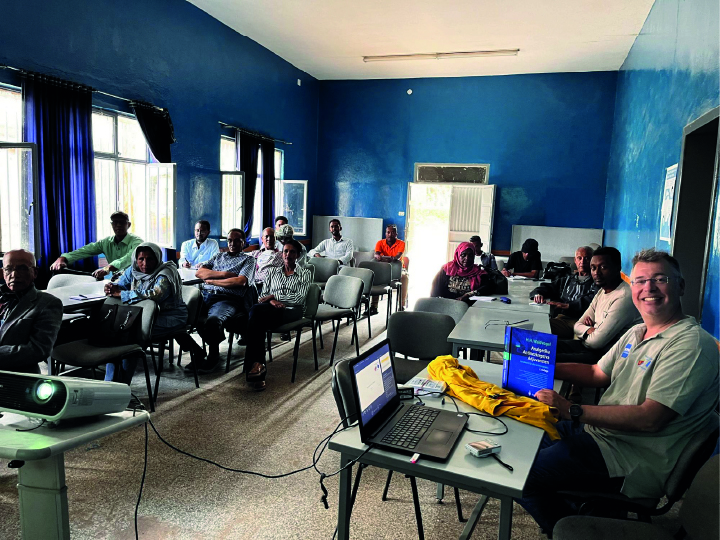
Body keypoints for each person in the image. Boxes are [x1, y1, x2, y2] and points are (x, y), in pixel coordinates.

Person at [518, 249, 719, 536]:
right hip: (602, 433)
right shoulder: (638, 332)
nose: (648, 288)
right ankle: (586, 512)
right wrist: (541, 366)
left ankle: (580, 528)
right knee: (524, 443)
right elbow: (595, 373)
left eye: (660, 279)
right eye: (640, 281)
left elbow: (650, 418)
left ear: (681, 286)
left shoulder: (690, 345)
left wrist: (572, 409)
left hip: (629, 458)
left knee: (523, 476)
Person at [104, 242, 205, 383]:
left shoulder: (166, 272)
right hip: (144, 315)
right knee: (117, 332)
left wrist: (122, 294)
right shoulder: (133, 270)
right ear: (136, 259)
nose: (145, 263)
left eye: (150, 259)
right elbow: (121, 285)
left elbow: (156, 294)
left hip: (171, 316)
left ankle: (121, 385)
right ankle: (111, 384)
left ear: (157, 258)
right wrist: (112, 287)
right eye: (141, 259)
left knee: (132, 335)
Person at [243, 240, 311, 391]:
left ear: (298, 255)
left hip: (292, 311)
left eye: (292, 252)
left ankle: (254, 366)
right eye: (285, 251)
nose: (288, 255)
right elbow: (263, 296)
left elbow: (299, 298)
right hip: (270, 309)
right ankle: (257, 366)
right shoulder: (272, 272)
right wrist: (272, 300)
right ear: (282, 253)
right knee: (257, 318)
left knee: (255, 314)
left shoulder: (305, 273)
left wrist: (274, 296)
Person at [556, 247, 641, 365]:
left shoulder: (624, 297)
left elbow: (596, 342)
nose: (596, 272)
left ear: (617, 268)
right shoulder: (602, 291)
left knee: (548, 358)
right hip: (590, 348)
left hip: (607, 357)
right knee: (544, 346)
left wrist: (587, 333)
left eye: (603, 267)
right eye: (593, 268)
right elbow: (577, 325)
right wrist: (589, 330)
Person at [194, 228, 256, 372]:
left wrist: (213, 281)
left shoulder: (248, 260)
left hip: (228, 299)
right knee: (188, 317)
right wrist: (225, 274)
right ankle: (198, 352)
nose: (232, 244)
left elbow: (240, 281)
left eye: (237, 241)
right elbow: (200, 272)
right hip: (207, 295)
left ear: (244, 242)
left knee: (213, 320)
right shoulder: (218, 256)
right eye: (229, 240)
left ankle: (213, 356)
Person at [0, 249, 63, 374]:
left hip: (16, 375)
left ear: (35, 272)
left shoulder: (48, 303)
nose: (14, 274)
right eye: (8, 269)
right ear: (3, 273)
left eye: (22, 268)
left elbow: (38, 350)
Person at [50, 211, 143, 280]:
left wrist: (107, 268)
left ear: (128, 225)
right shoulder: (106, 242)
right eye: (115, 222)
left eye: (122, 222)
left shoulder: (137, 242)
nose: (118, 225)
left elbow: (128, 258)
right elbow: (85, 250)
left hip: (136, 281)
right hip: (117, 282)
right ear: (112, 225)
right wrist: (63, 258)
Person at [530, 246, 598, 338]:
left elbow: (591, 300)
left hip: (582, 320)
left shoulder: (596, 282)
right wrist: (538, 294)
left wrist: (567, 305)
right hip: (563, 319)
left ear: (592, 261)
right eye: (579, 258)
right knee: (536, 325)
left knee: (541, 330)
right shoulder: (567, 280)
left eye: (586, 258)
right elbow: (546, 287)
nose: (582, 261)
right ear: (575, 260)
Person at [371, 224, 408, 313]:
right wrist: (378, 256)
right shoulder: (380, 243)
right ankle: (373, 306)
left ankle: (401, 306)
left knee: (404, 277)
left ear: (396, 234)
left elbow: (397, 257)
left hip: (398, 269)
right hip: (384, 269)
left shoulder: (401, 243)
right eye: (388, 232)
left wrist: (384, 258)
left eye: (392, 232)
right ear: (385, 233)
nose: (390, 234)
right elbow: (377, 254)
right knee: (375, 276)